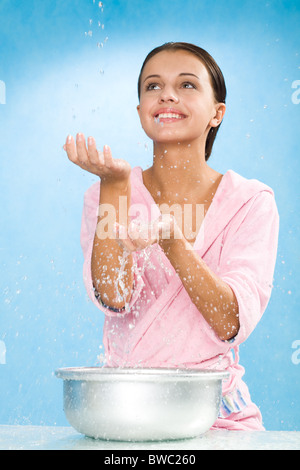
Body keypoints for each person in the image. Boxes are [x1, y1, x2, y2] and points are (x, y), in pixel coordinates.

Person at [63, 42, 279, 430]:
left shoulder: (250, 203)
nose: (167, 94)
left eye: (187, 85)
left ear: (218, 112)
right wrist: (114, 185)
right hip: (127, 412)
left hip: (217, 417)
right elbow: (114, 296)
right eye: (152, 86)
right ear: (140, 109)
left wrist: (173, 244)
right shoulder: (105, 192)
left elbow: (230, 320)